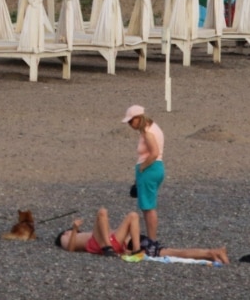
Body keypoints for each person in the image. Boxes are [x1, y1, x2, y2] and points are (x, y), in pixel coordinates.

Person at [54, 208, 228, 265]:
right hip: (100, 245)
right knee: (102, 212)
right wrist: (74, 229)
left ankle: (136, 250)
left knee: (133, 215)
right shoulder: (65, 236)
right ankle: (210, 253)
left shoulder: (86, 233)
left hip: (117, 242)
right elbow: (70, 249)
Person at [123, 104, 164, 245]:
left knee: (148, 207)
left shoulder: (147, 132)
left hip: (150, 169)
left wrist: (142, 168)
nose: (129, 124)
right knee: (148, 205)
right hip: (156, 169)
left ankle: (152, 241)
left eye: (131, 121)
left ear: (139, 118)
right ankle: (151, 239)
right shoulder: (153, 127)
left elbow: (154, 153)